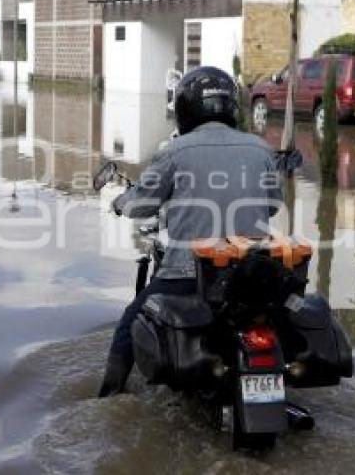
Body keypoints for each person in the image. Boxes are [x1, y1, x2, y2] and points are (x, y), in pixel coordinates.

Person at [99, 66, 283, 397]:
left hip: (190, 274)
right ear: (231, 107)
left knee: (129, 323)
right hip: (254, 276)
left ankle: (106, 401)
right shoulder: (261, 150)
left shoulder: (175, 151)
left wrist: (118, 201)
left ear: (185, 109)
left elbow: (141, 205)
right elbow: (272, 206)